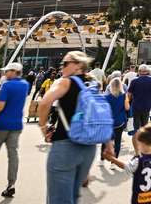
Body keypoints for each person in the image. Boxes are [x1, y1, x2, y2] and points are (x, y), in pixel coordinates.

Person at [37, 51, 113, 204]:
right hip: (89, 148)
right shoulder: (93, 84)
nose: (61, 67)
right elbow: (100, 114)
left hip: (66, 145)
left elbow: (44, 103)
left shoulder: (65, 82)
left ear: (78, 65)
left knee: (59, 199)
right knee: (73, 196)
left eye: (65, 63)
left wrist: (43, 126)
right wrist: (109, 142)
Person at [0, 62, 30, 198]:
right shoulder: (25, 85)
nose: (5, 73)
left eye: (7, 71)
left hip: (2, 124)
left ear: (14, 71)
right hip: (17, 125)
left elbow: (0, 106)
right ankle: (11, 184)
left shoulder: (7, 85)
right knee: (13, 155)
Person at [104, 123, 151, 204]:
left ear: (143, 144)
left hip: (141, 199)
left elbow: (125, 166)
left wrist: (112, 159)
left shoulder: (139, 161)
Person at [126, 64, 151, 142]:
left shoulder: (134, 81)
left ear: (139, 71)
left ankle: (137, 141)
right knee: (145, 124)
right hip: (147, 106)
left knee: (136, 126)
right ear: (147, 71)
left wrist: (127, 104)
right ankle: (144, 141)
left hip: (136, 106)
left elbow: (129, 94)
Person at [104, 77, 130, 164]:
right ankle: (114, 162)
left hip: (109, 122)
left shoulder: (106, 97)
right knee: (117, 141)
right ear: (120, 86)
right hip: (120, 121)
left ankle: (101, 159)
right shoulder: (124, 96)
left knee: (106, 140)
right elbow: (127, 108)